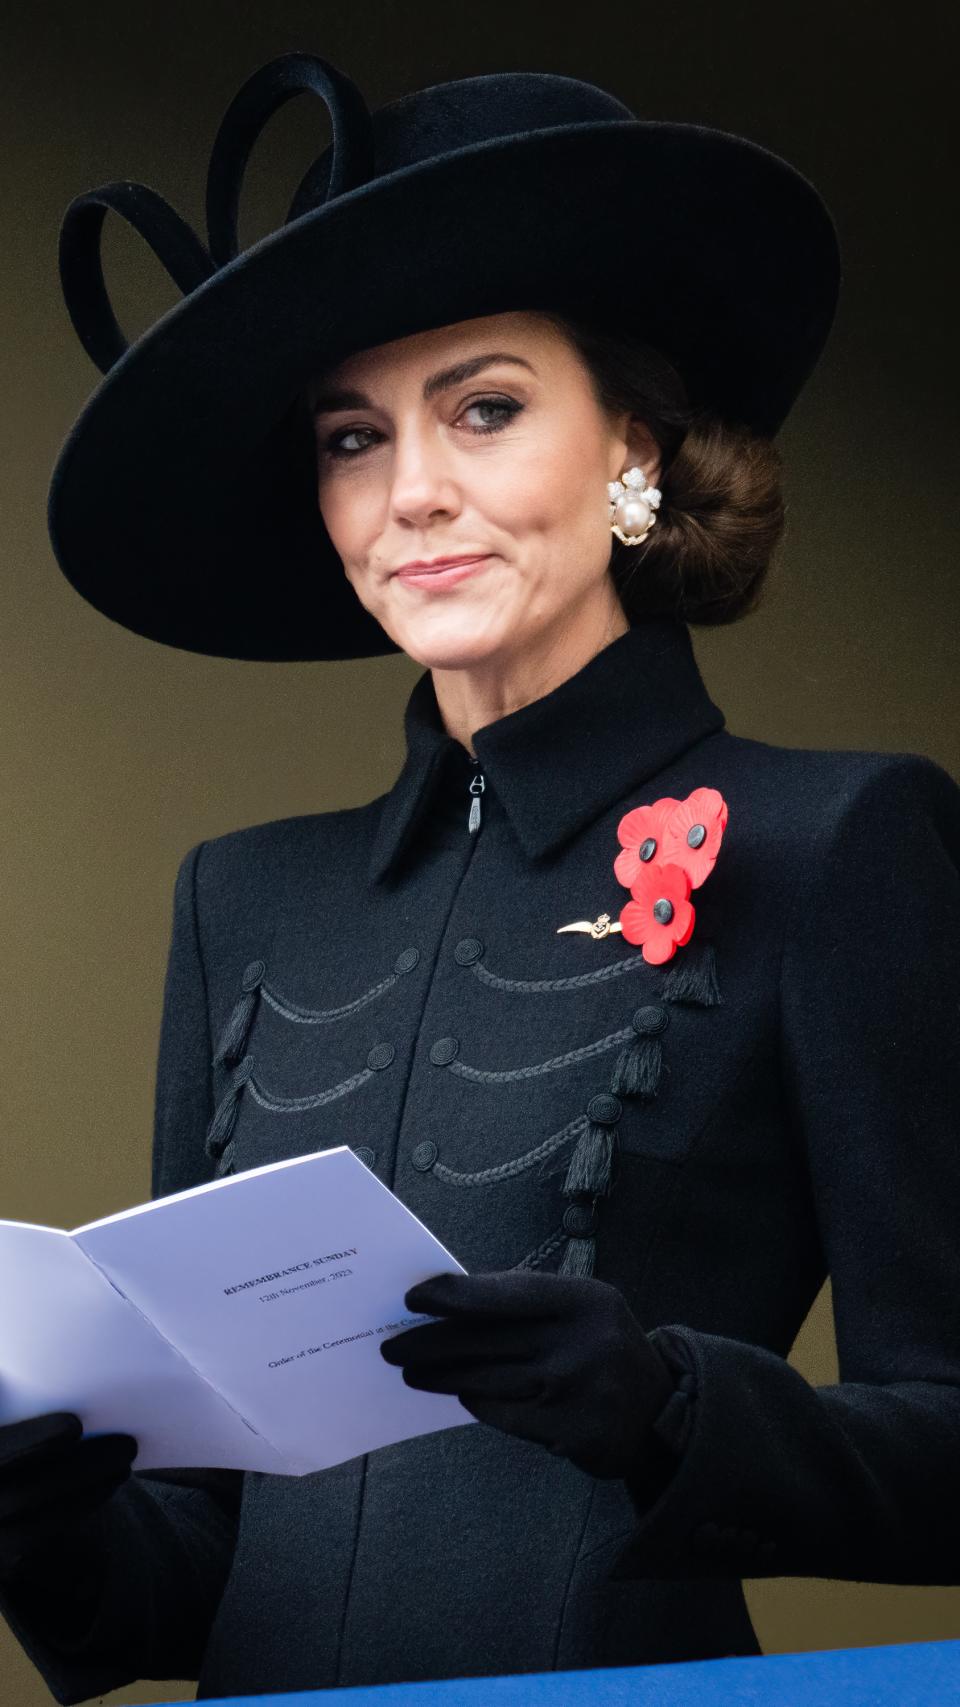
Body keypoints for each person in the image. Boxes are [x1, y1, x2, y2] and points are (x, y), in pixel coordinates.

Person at [2, 47, 959, 1707]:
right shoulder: (241, 900)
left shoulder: (842, 842)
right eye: (353, 437)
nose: (412, 493)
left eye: (487, 406)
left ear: (636, 452)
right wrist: (43, 1527)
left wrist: (673, 1400)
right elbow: (197, 1568)